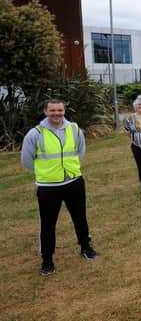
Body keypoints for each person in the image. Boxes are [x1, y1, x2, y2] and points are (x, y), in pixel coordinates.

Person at [20, 99, 97, 276]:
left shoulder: (74, 129)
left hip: (74, 182)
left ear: (64, 111)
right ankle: (47, 260)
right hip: (48, 187)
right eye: (52, 110)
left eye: (60, 110)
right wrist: (46, 174)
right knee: (48, 224)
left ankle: (86, 247)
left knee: (80, 218)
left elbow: (80, 151)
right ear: (45, 111)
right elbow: (27, 161)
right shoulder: (35, 133)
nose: (57, 114)